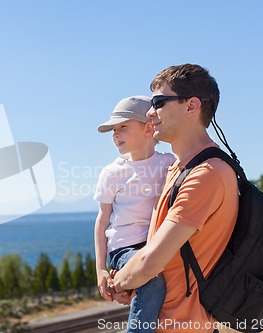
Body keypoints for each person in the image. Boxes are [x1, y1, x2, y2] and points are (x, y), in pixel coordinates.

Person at [112, 64, 239, 333]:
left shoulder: (207, 175)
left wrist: (119, 282)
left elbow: (150, 262)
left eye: (158, 102)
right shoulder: (179, 168)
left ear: (191, 106)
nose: (149, 112)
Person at [94, 96, 175, 333]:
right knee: (151, 278)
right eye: (113, 130)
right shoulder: (112, 172)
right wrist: (100, 268)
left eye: (123, 127)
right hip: (125, 248)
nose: (115, 135)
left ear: (149, 127)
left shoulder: (170, 163)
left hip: (156, 243)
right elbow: (102, 222)